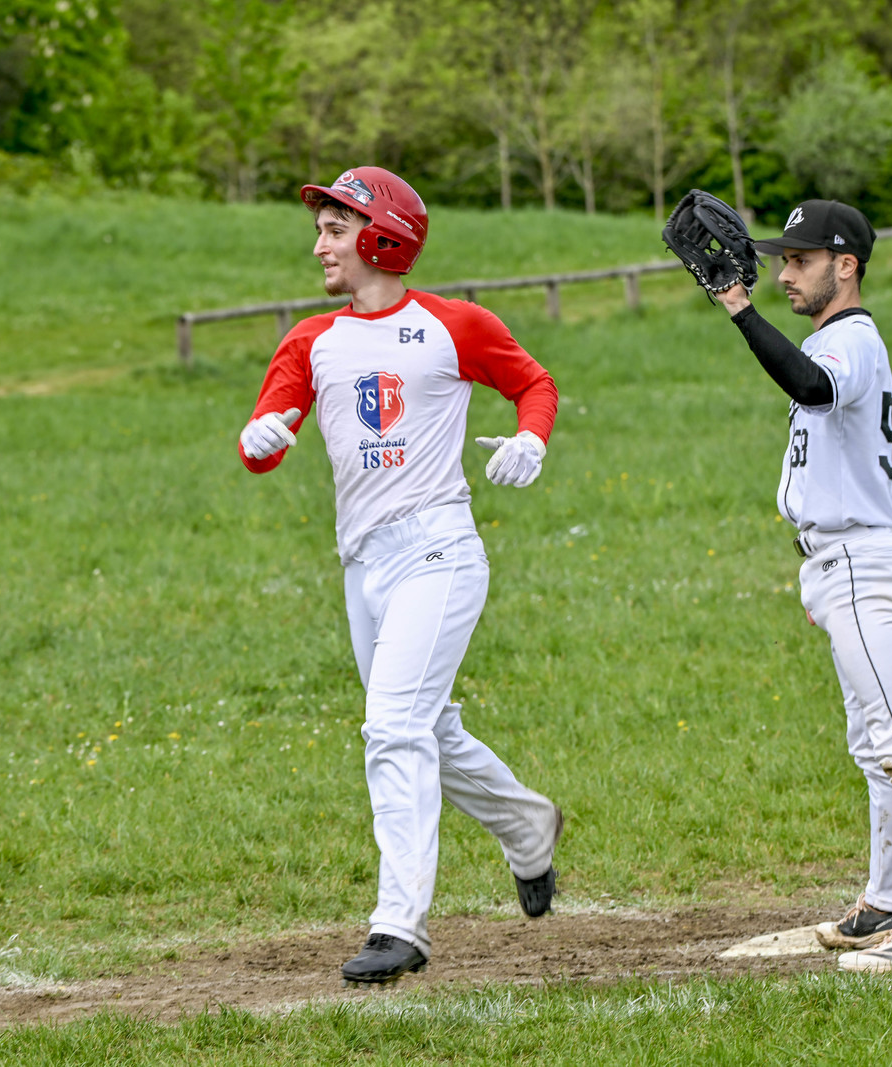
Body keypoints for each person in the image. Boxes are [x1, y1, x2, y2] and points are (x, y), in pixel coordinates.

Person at [236, 167, 565, 986]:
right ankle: (528, 826)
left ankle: (400, 924)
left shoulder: (455, 325)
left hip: (440, 552)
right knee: (427, 727)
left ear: (383, 235)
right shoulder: (312, 339)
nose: (319, 245)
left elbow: (533, 383)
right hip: (363, 566)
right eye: (320, 230)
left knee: (392, 729)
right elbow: (261, 431)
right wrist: (261, 440)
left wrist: (531, 439)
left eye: (335, 229)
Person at [706, 200, 892, 972]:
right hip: (838, 562)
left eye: (800, 259)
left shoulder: (850, 338)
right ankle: (888, 899)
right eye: (782, 260)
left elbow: (813, 387)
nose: (784, 272)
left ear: (844, 265)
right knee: (873, 743)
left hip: (859, 559)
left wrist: (739, 310)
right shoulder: (838, 338)